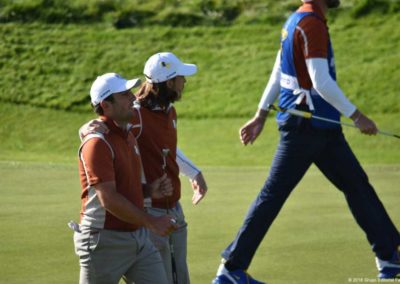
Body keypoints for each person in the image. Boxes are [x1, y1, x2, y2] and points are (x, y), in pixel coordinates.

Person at [212, 0, 400, 283]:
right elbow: (320, 80)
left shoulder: (297, 20)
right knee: (272, 196)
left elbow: (279, 72)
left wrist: (260, 115)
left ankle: (389, 259)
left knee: (357, 185)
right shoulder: (310, 24)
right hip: (306, 127)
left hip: (321, 126)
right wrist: (358, 116)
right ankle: (230, 268)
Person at [80, 52, 208, 284]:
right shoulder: (133, 115)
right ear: (168, 82)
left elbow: (165, 148)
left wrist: (192, 173)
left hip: (163, 211)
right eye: (180, 77)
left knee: (178, 277)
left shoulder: (164, 113)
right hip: (142, 216)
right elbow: (98, 131)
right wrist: (87, 129)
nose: (184, 82)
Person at [72, 72, 177, 284]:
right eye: (124, 94)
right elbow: (108, 199)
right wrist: (151, 222)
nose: (133, 98)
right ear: (106, 105)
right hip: (103, 241)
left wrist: (149, 190)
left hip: (138, 238)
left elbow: (125, 186)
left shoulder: (128, 136)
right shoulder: (97, 143)